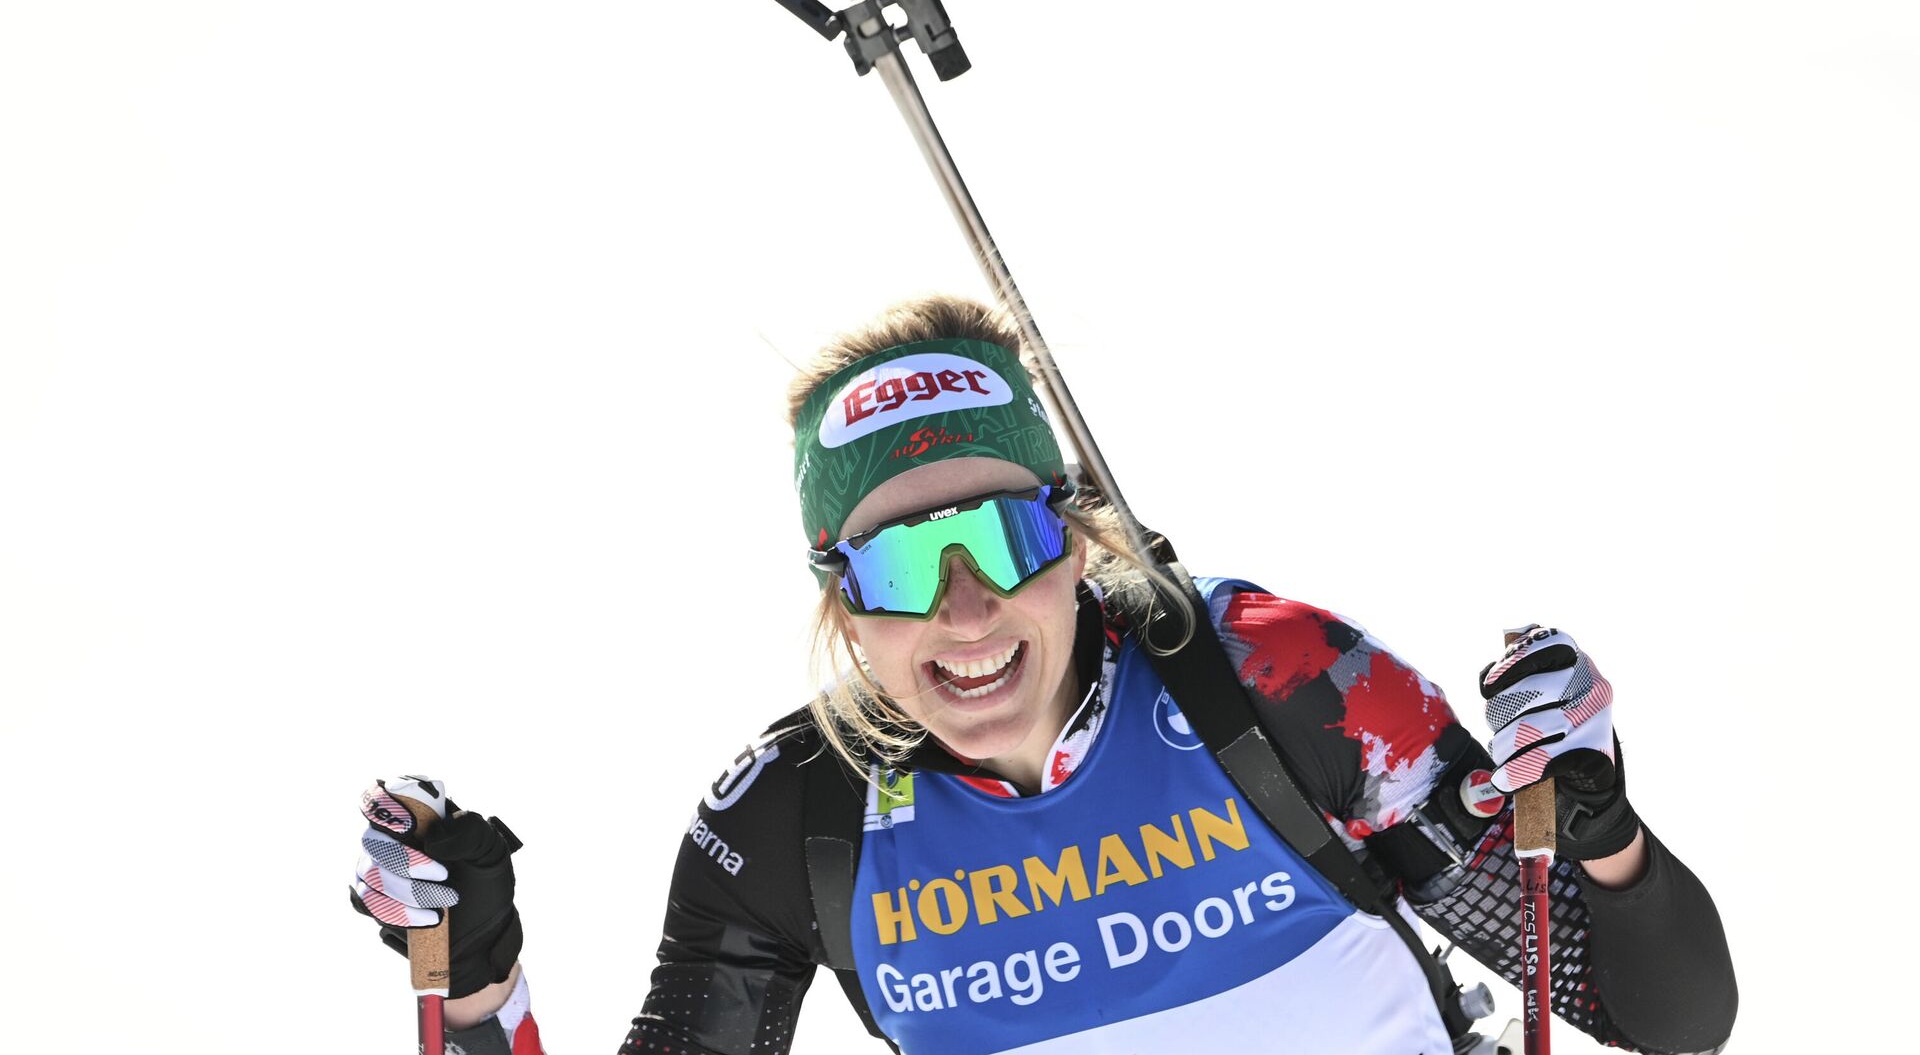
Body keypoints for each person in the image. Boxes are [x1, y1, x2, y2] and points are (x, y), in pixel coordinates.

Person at [351, 295, 1738, 1054]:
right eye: (902, 563)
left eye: (1002, 538)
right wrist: (477, 984)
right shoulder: (793, 818)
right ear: (840, 599)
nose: (965, 611)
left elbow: (1667, 1019)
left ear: (1072, 539)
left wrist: (1598, 828)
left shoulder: (1271, 675)